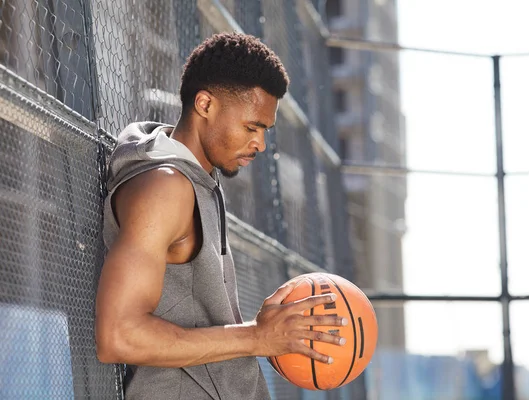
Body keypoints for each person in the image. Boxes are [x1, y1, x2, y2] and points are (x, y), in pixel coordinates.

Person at [95, 32, 347, 400]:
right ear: (205, 104)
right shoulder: (164, 188)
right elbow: (118, 335)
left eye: (265, 130)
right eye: (251, 127)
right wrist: (257, 337)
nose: (260, 143)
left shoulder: (200, 181)